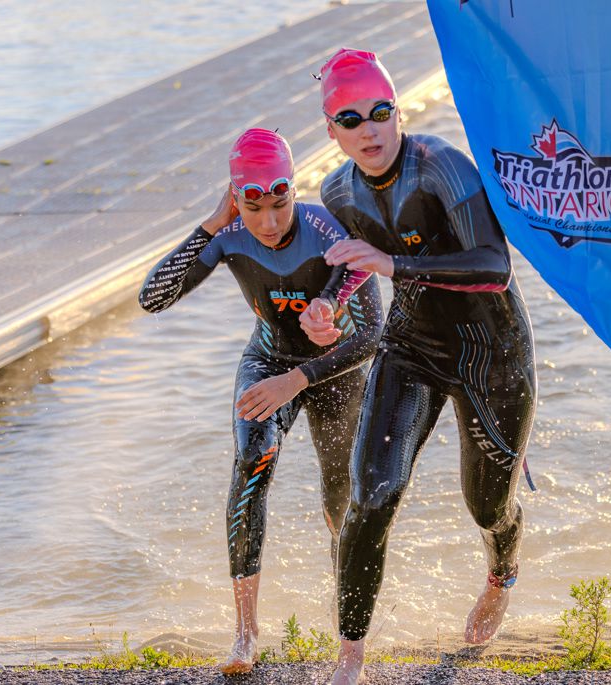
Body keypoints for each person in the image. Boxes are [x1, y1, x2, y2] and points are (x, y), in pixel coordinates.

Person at [300, 48, 537, 685]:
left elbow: (494, 267)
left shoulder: (441, 168)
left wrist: (395, 266)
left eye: (380, 112)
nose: (369, 130)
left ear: (397, 111)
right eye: (351, 120)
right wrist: (326, 307)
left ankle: (501, 571)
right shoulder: (337, 190)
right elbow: (355, 263)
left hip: (493, 354)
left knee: (487, 505)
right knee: (371, 496)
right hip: (412, 349)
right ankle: (350, 659)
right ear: (332, 132)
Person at [138, 128, 383, 675]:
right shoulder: (228, 234)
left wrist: (298, 379)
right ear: (235, 199)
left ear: (293, 191)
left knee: (341, 493)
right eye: (252, 207)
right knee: (254, 460)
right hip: (267, 361)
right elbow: (151, 298)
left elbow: (370, 337)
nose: (269, 224)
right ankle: (245, 633)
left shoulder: (328, 229)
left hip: (335, 370)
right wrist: (210, 223)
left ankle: (346, 632)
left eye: (280, 203)